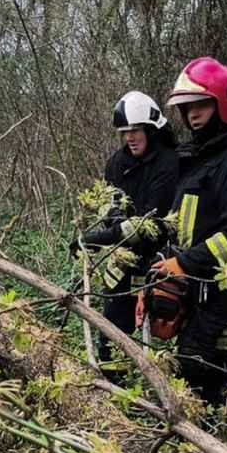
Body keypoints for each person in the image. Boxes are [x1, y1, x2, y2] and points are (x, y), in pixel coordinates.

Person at [140, 57, 227, 406]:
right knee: (187, 375)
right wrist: (161, 273)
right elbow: (179, 225)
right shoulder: (200, 158)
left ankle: (209, 452)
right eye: (186, 108)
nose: (192, 114)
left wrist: (185, 264)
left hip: (222, 297)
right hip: (190, 291)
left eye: (200, 105)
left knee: (202, 380)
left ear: (224, 103)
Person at [73, 90, 178, 373]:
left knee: (161, 335)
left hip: (159, 264)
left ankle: (162, 390)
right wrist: (112, 222)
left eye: (135, 130)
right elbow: (109, 205)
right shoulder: (117, 163)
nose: (129, 137)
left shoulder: (170, 163)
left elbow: (151, 225)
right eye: (125, 132)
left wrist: (95, 239)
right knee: (112, 331)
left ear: (150, 129)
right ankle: (114, 386)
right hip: (123, 264)